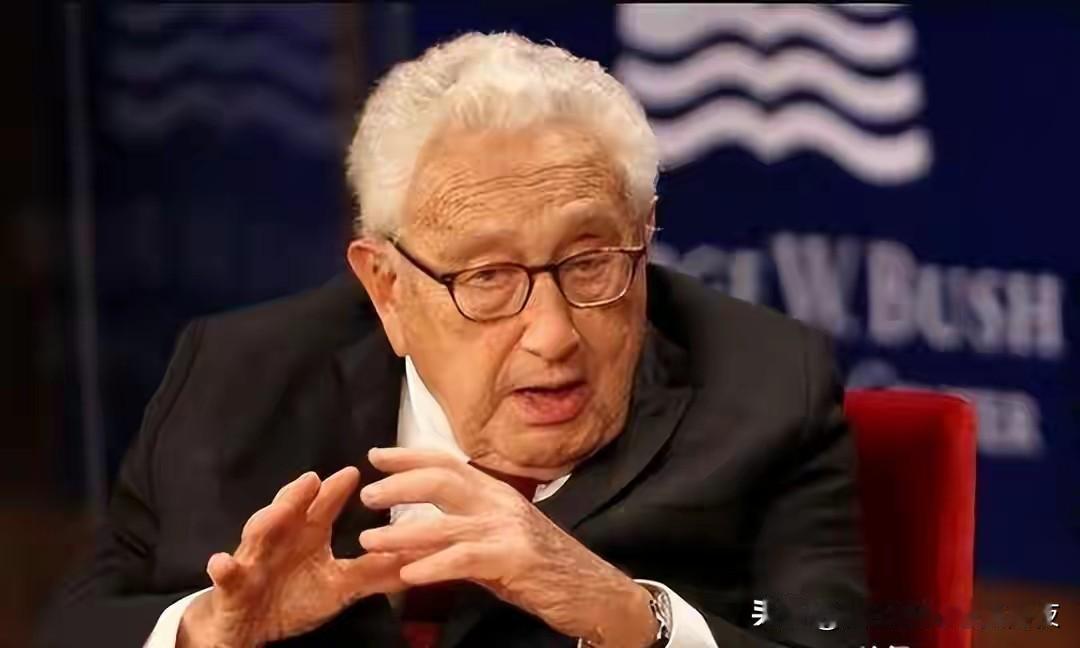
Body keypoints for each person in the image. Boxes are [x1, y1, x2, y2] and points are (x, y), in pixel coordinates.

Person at [38, 32, 867, 648]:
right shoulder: (236, 380)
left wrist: (628, 616)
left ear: (644, 237)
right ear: (386, 287)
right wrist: (205, 632)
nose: (553, 335)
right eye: (488, 277)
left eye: (589, 263)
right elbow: (75, 626)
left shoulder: (766, 386)